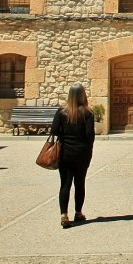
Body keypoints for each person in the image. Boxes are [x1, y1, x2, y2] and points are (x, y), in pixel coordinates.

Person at [52, 82, 95, 228]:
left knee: (65, 183)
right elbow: (90, 136)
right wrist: (89, 153)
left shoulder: (61, 112)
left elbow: (54, 131)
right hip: (81, 153)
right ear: (83, 95)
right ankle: (78, 212)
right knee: (79, 183)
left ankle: (64, 215)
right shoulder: (88, 113)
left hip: (64, 152)